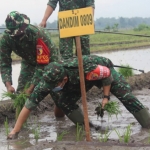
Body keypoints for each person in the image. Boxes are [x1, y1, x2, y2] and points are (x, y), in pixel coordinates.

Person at [7, 55, 150, 139]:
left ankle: (147, 123)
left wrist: (106, 97)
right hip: (79, 82)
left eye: (56, 84)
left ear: (63, 79)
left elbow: (106, 74)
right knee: (63, 101)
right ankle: (87, 125)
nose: (52, 87)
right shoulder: (47, 81)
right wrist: (15, 131)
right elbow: (29, 105)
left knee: (124, 94)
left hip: (102, 72)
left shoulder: (83, 68)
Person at [0, 11, 64, 117]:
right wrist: (8, 85)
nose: (17, 36)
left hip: (50, 62)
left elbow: (42, 64)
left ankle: (61, 121)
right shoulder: (6, 39)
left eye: (19, 33)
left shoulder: (38, 34)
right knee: (21, 95)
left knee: (58, 96)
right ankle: (19, 127)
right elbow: (4, 63)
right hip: (29, 62)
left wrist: (31, 88)